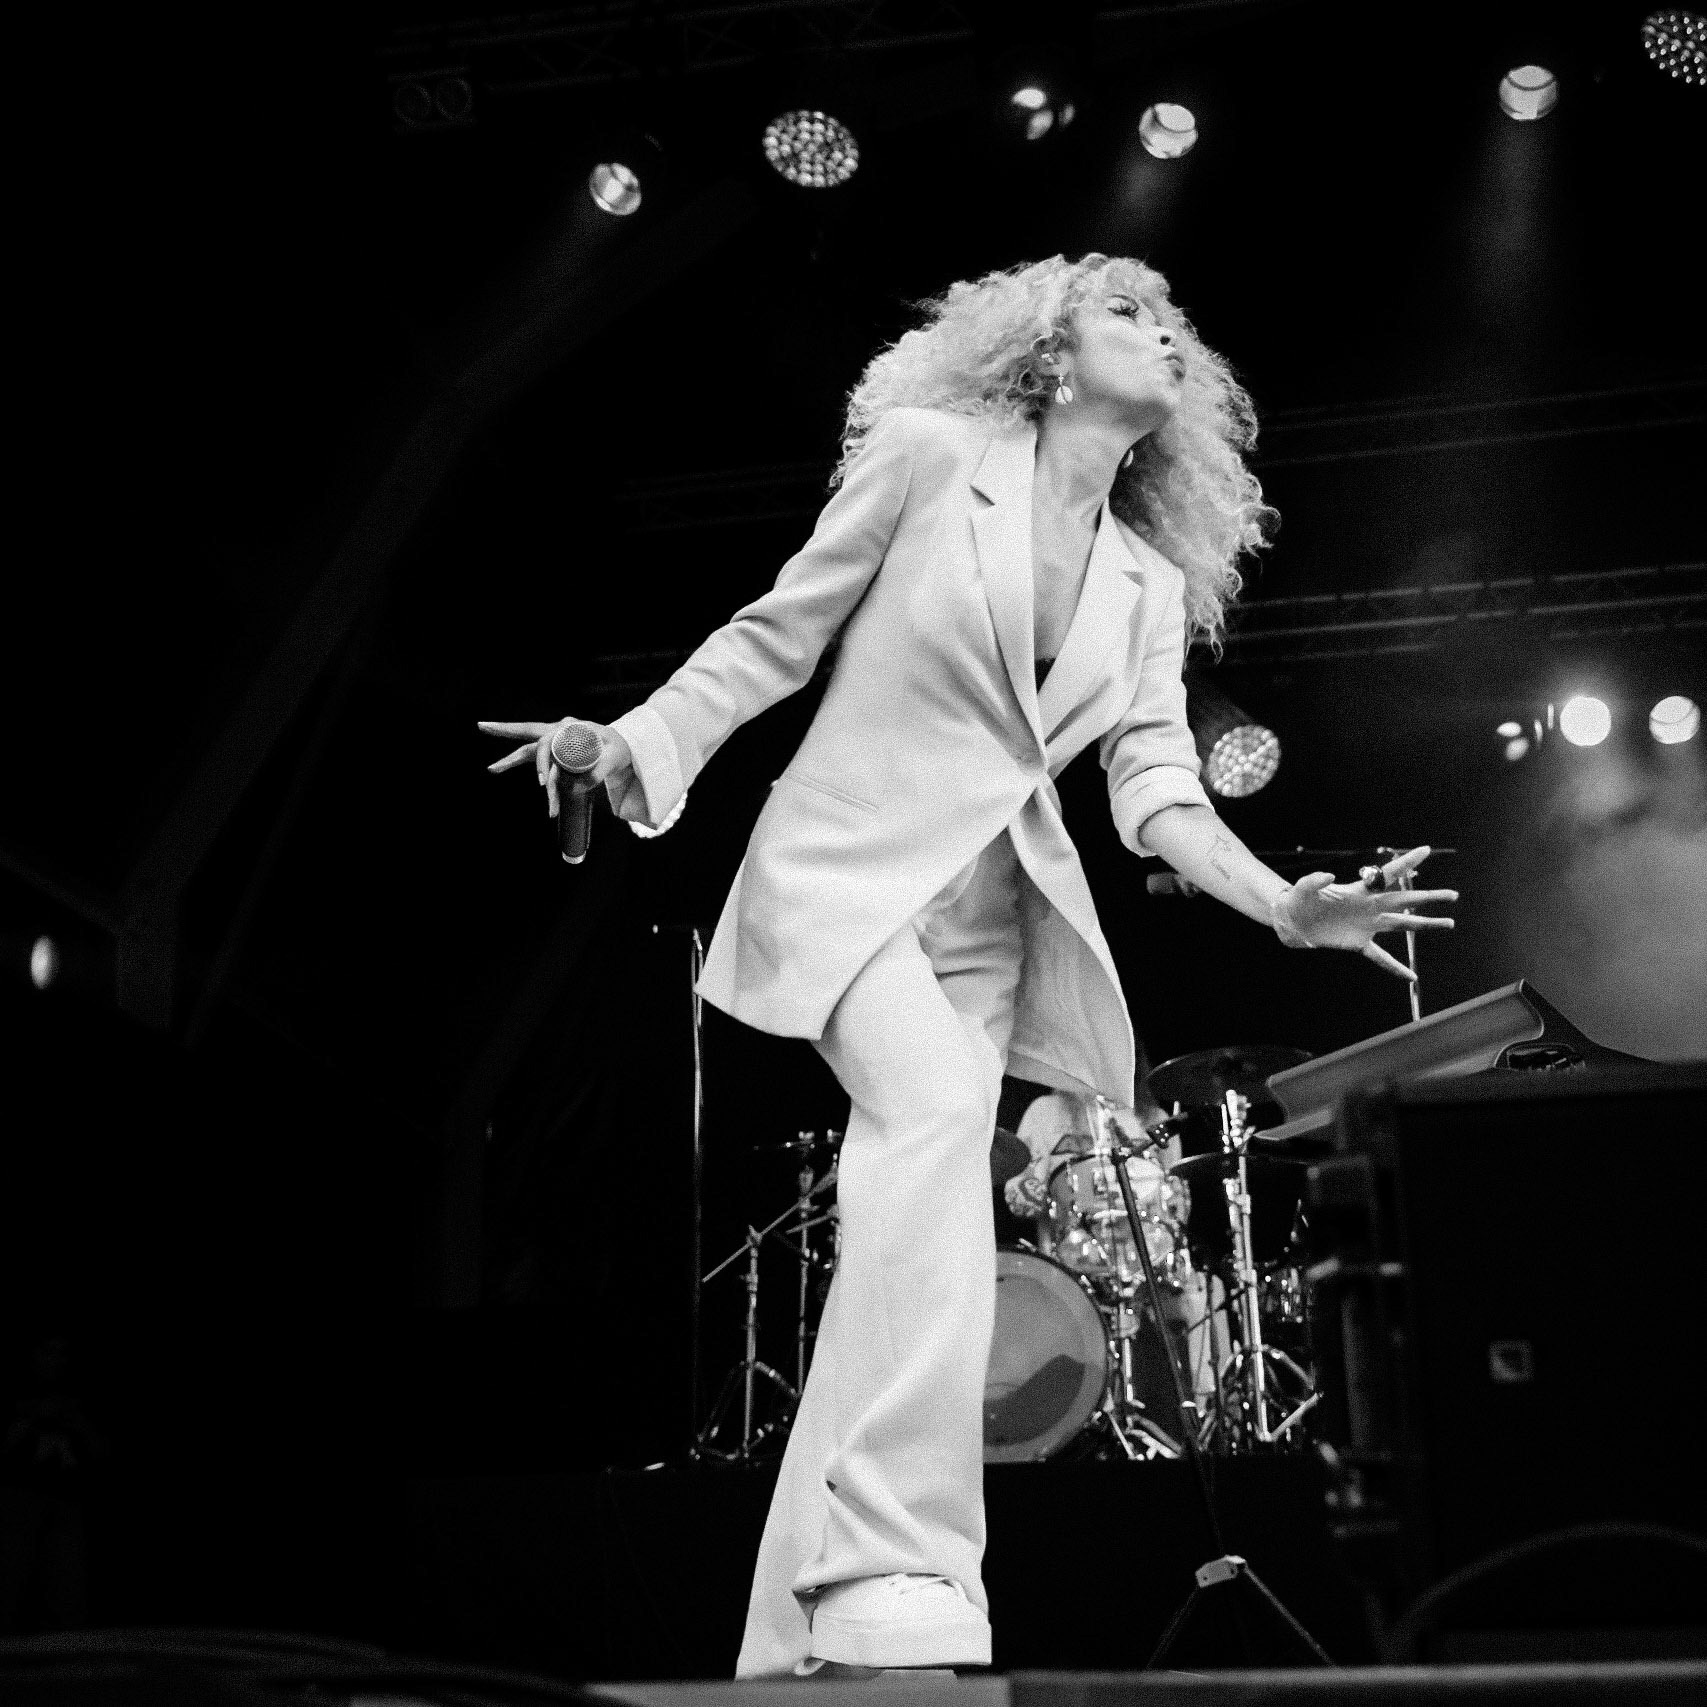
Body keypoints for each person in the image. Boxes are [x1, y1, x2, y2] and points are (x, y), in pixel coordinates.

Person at [481, 251, 1456, 1678]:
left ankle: (790, 1624)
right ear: (1052, 357)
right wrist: (630, 744)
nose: (1165, 338)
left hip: (989, 925)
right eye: (1133, 313)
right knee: (935, 1115)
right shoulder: (936, 459)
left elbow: (1155, 788)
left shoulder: (1139, 585)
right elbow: (779, 633)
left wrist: (1282, 908)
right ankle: (900, 1560)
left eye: (1176, 324)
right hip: (847, 875)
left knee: (912, 1199)